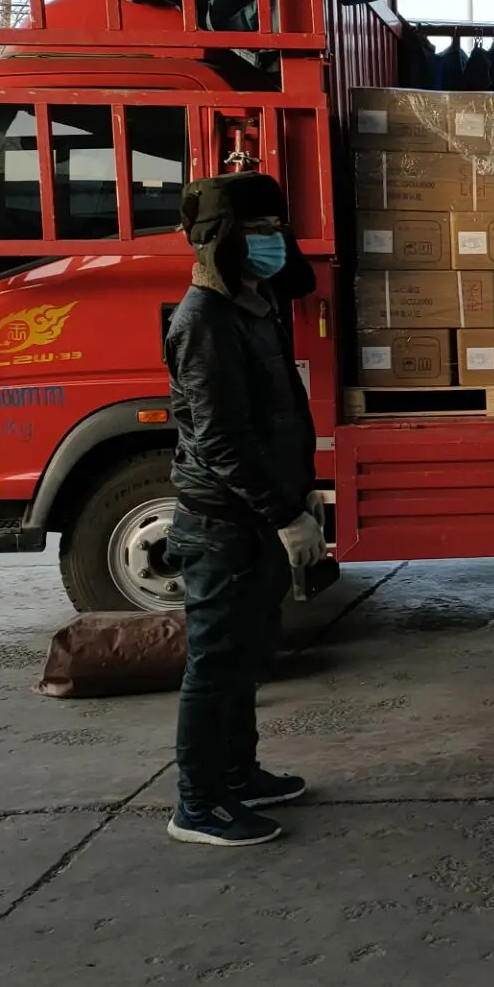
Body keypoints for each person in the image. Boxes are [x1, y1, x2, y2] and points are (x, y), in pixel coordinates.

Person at [163, 171, 324, 847]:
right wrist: (284, 514)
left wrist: (299, 491)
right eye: (257, 232)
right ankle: (198, 805)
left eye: (276, 229)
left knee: (248, 656)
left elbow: (278, 416)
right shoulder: (203, 321)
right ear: (220, 240)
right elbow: (222, 440)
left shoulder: (253, 307)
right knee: (216, 665)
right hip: (221, 524)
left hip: (256, 515)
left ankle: (238, 774)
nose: (272, 242)